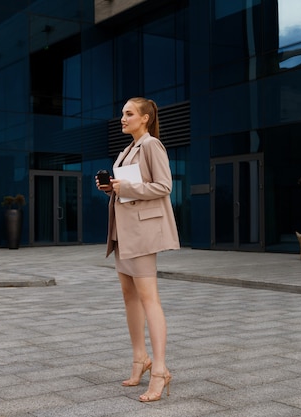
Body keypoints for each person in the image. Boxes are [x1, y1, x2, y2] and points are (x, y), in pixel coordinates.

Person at [95, 97, 180, 402]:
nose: (123, 118)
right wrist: (111, 187)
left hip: (142, 233)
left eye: (129, 113)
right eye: (122, 113)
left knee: (149, 299)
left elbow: (164, 186)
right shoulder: (128, 149)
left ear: (145, 118)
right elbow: (129, 187)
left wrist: (126, 187)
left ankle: (159, 370)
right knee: (129, 296)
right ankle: (139, 359)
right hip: (123, 232)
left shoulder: (152, 145)